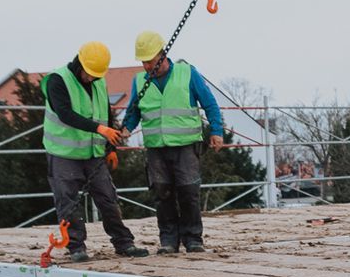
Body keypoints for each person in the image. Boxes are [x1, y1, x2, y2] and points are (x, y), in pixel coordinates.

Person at [121, 31, 228, 255]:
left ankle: (193, 239)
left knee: (189, 192)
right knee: (162, 193)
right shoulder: (140, 81)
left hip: (185, 145)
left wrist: (216, 130)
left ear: (162, 54)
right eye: (143, 62)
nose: (147, 66)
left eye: (150, 61)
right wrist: (125, 129)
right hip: (156, 148)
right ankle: (168, 240)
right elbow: (133, 111)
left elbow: (209, 103)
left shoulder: (187, 73)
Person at [43, 42, 148, 262]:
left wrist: (110, 147)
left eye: (95, 75)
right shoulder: (57, 80)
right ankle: (76, 247)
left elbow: (106, 115)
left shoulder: (99, 82)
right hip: (64, 154)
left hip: (94, 153)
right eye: (89, 74)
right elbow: (65, 114)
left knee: (108, 198)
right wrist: (100, 129)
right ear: (79, 63)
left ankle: (123, 243)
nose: (92, 78)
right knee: (68, 203)